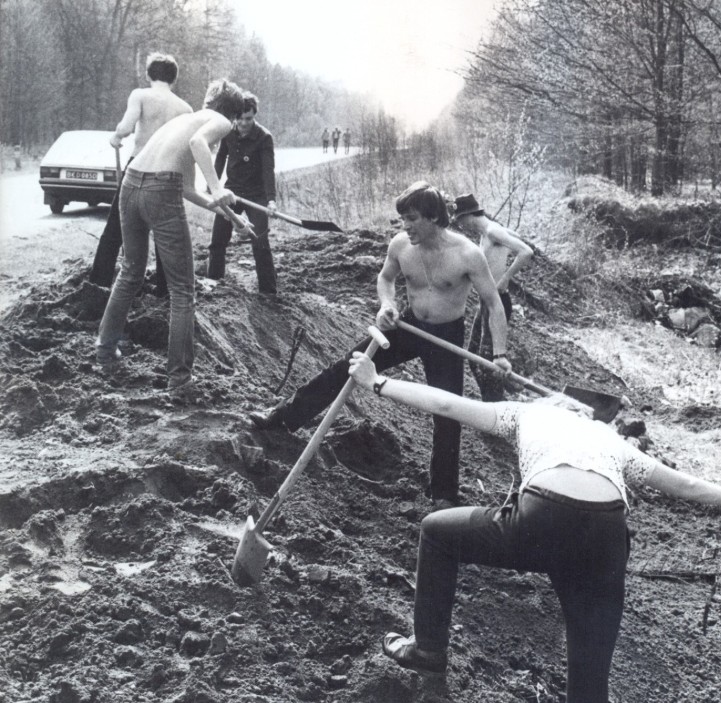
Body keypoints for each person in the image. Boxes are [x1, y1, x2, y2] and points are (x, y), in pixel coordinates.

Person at [347, 350, 721, 703]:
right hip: (607, 537)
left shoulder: (526, 415)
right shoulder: (612, 442)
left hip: (544, 519)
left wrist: (377, 382)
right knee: (590, 675)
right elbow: (685, 484)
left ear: (550, 404)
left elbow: (445, 403)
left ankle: (427, 651)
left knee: (436, 531)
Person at [248, 181, 512, 507]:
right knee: (347, 367)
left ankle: (443, 493)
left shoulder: (468, 255)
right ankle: (283, 418)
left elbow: (494, 303)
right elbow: (386, 279)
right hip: (408, 326)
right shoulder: (401, 245)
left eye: (412, 218)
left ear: (433, 217)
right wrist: (386, 305)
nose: (405, 226)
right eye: (403, 218)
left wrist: (499, 354)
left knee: (447, 412)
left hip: (446, 338)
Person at [96, 79, 248, 397]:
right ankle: (179, 380)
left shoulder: (184, 119)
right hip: (159, 191)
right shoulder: (218, 120)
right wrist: (219, 188)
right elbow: (198, 145)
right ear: (233, 116)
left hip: (131, 184)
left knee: (130, 273)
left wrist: (230, 216)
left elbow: (189, 190)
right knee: (183, 289)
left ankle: (105, 352)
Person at [89, 53, 193, 295]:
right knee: (164, 235)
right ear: (173, 79)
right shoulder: (185, 108)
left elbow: (126, 127)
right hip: (167, 172)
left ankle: (97, 285)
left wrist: (116, 136)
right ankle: (164, 292)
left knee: (115, 229)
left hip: (138, 167)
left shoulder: (141, 95)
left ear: (148, 75)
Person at [453, 193, 534, 401]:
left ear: (468, 215)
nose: (461, 225)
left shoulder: (492, 230)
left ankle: (497, 407)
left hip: (498, 301)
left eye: (460, 220)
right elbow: (513, 238)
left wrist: (506, 277)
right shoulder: (488, 233)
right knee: (473, 355)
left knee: (489, 362)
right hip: (486, 302)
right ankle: (494, 399)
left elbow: (526, 251)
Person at [206, 92, 278, 295]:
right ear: (235, 117)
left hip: (257, 196)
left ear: (254, 116)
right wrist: (212, 186)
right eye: (240, 119)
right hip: (232, 193)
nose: (244, 123)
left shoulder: (264, 137)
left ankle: (269, 292)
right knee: (217, 241)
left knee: (260, 243)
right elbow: (220, 159)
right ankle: (213, 286)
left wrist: (271, 200)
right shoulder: (228, 132)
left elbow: (267, 171)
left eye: (249, 119)